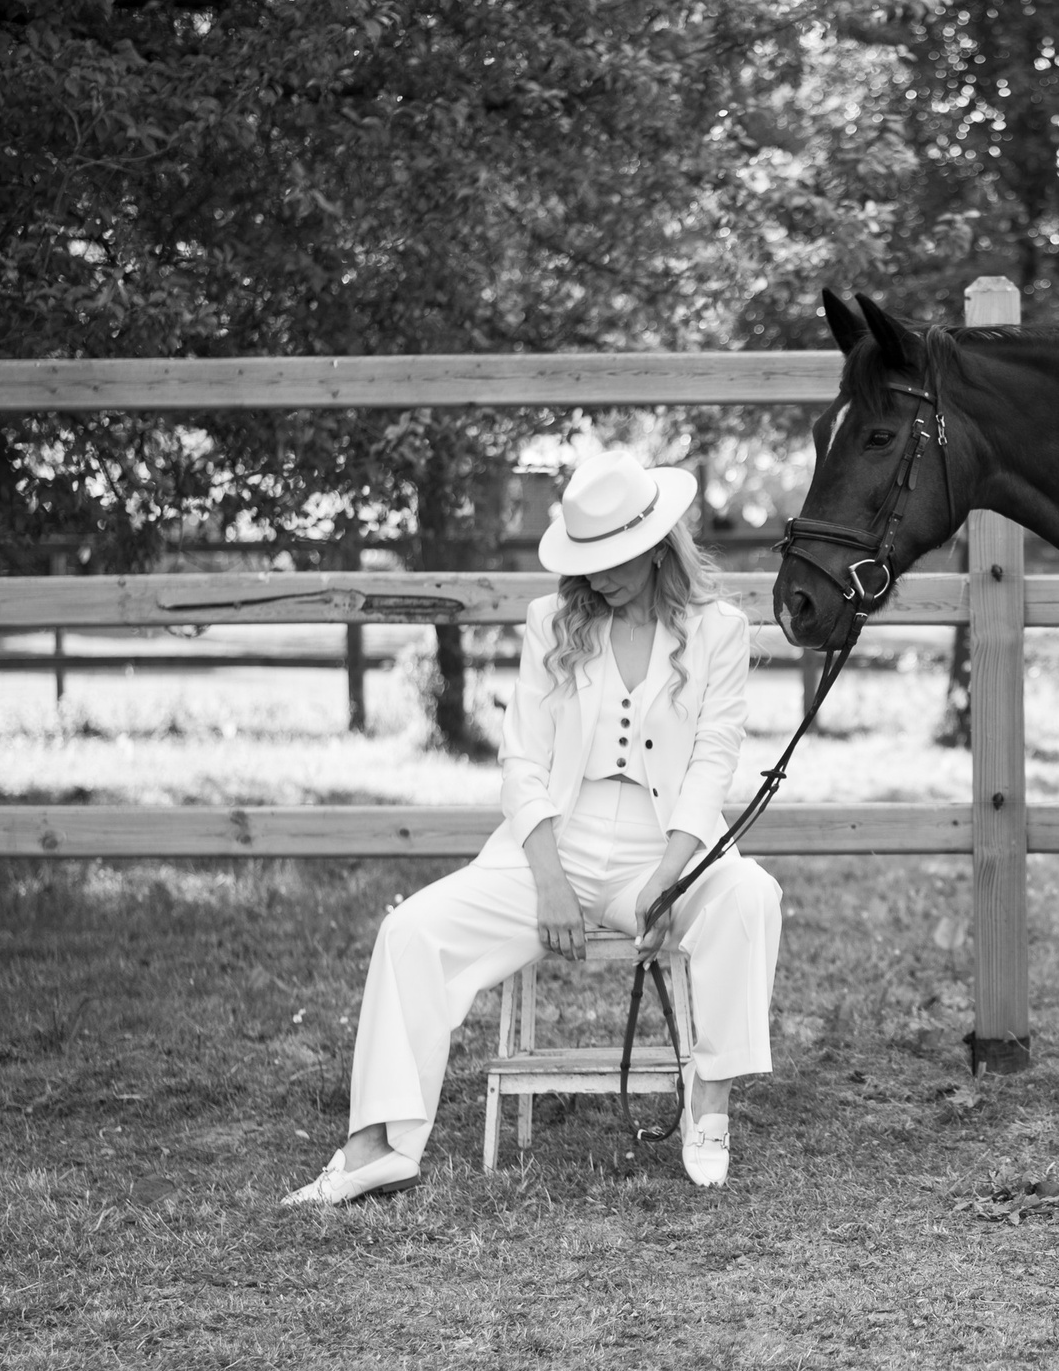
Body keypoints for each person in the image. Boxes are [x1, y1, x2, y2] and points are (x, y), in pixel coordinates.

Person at [286, 449, 781, 1203]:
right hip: (556, 838)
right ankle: (376, 1146)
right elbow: (522, 759)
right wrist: (548, 877)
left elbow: (713, 764)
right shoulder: (553, 622)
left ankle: (707, 1104)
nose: (596, 575)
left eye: (613, 557)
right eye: (586, 559)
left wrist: (669, 876)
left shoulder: (719, 630)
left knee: (750, 896)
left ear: (655, 547)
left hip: (671, 840)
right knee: (412, 931)